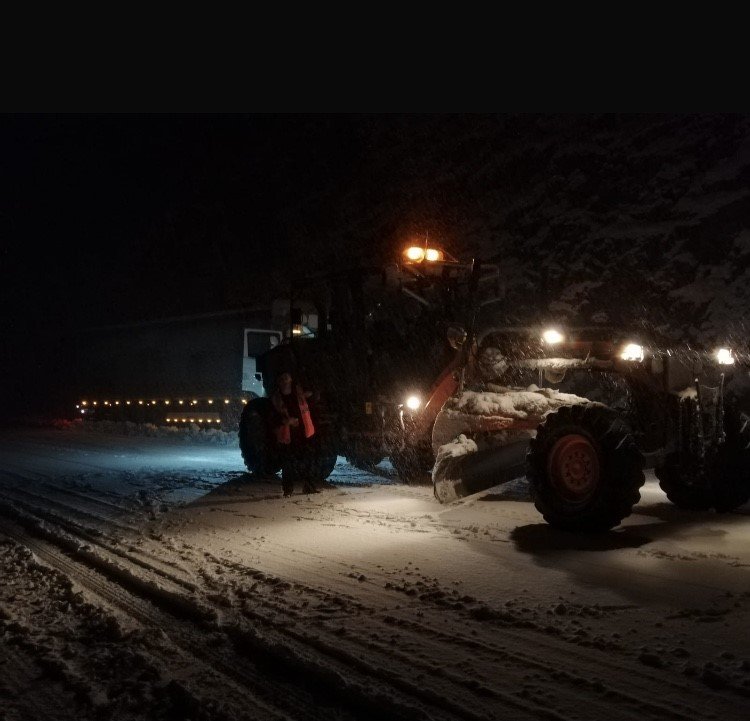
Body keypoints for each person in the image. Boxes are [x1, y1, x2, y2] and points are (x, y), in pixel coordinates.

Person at [270, 371, 317, 496]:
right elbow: (272, 419)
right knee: (288, 463)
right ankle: (288, 490)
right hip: (288, 436)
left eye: (287, 378)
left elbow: (312, 402)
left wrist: (312, 395)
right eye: (282, 379)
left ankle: (309, 487)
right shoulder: (276, 399)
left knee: (309, 460)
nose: (285, 382)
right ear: (279, 383)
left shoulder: (299, 393)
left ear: (291, 380)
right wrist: (287, 421)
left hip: (304, 433)